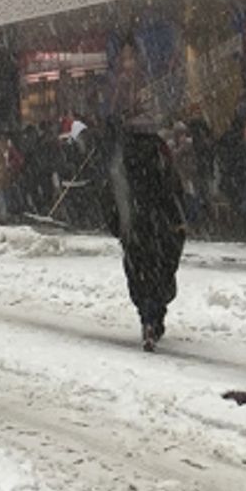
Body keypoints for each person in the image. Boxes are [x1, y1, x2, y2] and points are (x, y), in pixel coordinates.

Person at [103, 117, 188, 351]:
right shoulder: (160, 154)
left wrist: (117, 224)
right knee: (160, 271)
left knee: (138, 272)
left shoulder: (121, 158)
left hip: (133, 226)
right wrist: (178, 220)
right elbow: (173, 190)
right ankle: (156, 314)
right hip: (160, 225)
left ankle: (146, 317)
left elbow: (113, 194)